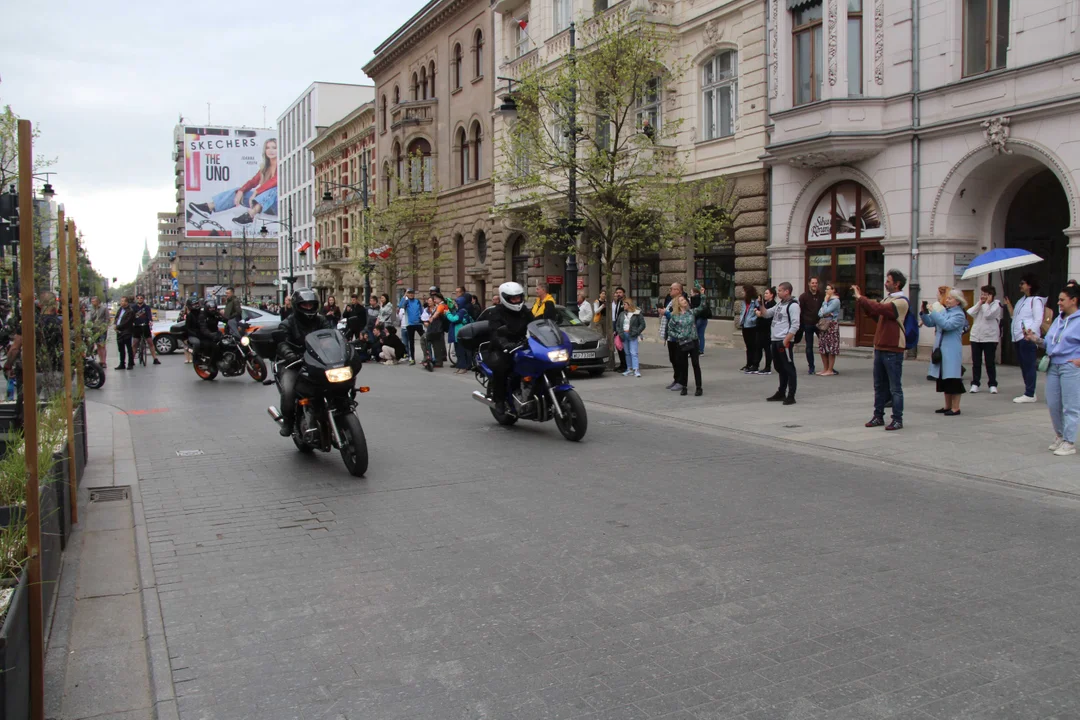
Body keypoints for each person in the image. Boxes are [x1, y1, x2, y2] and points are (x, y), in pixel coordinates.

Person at [1025, 284, 1080, 456]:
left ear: (1074, 300)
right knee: (1054, 404)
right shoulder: (1059, 320)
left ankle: (1069, 442)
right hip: (1053, 365)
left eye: (1062, 300)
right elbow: (1049, 342)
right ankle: (1060, 436)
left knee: (1070, 406)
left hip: (1070, 366)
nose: (1059, 303)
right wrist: (1035, 339)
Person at [854, 269, 911, 431]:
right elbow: (876, 314)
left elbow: (881, 309)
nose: (886, 283)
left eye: (888, 281)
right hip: (880, 347)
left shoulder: (901, 301)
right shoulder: (888, 298)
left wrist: (862, 298)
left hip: (893, 349)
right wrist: (863, 304)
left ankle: (897, 419)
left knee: (895, 387)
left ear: (896, 283)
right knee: (879, 385)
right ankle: (878, 416)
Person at [274, 289, 333, 436]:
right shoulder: (287, 323)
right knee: (288, 390)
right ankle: (288, 421)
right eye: (304, 305)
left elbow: (331, 336)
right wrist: (290, 355)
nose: (308, 308)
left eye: (311, 305)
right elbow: (282, 343)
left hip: (319, 361)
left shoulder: (321, 320)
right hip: (295, 363)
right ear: (297, 305)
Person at [187, 138, 278, 227]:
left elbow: (275, 181)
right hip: (264, 204)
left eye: (274, 148)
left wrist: (256, 192)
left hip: (277, 205)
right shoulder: (265, 168)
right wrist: (241, 191)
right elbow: (253, 182)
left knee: (275, 189)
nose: (270, 150)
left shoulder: (283, 165)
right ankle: (209, 207)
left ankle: (250, 215)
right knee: (238, 191)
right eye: (267, 148)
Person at [484, 282, 532, 414]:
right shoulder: (496, 312)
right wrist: (504, 343)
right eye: (513, 298)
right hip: (502, 348)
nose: (516, 301)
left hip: (523, 345)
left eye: (518, 297)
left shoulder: (525, 311)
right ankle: (499, 400)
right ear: (505, 298)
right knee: (502, 367)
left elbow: (534, 324)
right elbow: (494, 332)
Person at [921, 288, 969, 416]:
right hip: (941, 350)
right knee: (943, 378)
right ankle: (948, 406)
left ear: (958, 302)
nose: (947, 300)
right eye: (947, 298)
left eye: (950, 298)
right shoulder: (945, 311)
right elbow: (932, 322)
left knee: (953, 379)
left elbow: (946, 325)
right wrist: (924, 313)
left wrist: (934, 312)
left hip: (951, 351)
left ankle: (956, 407)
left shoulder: (959, 314)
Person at [1003, 273, 1046, 404]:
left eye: (1023, 283)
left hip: (1027, 337)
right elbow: (1014, 317)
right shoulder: (1021, 300)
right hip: (1017, 336)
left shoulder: (1036, 300)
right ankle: (1028, 390)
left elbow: (1038, 319)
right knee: (1023, 365)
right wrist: (1009, 304)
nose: (1020, 285)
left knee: (1029, 365)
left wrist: (1030, 332)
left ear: (1030, 285)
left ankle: (1030, 393)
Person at [756, 282, 799, 404]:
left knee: (788, 367)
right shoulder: (780, 304)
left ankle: (791, 395)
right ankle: (781, 392)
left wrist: (786, 340)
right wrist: (761, 305)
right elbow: (766, 314)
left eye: (780, 290)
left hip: (783, 341)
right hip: (774, 340)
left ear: (787, 291)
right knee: (779, 367)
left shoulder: (793, 305)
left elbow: (796, 325)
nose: (778, 292)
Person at [663, 295, 706, 396]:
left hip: (693, 341)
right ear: (678, 304)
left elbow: (702, 307)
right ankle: (684, 386)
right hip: (682, 342)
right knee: (684, 365)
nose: (684, 301)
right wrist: (679, 335)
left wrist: (703, 295)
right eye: (682, 300)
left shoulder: (691, 312)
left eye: (685, 299)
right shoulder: (674, 316)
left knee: (695, 364)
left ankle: (699, 387)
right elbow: (670, 330)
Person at [968, 284, 1002, 394]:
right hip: (976, 337)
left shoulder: (996, 306)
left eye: (985, 294)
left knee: (989, 362)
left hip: (989, 338)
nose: (983, 296)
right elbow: (971, 312)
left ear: (991, 295)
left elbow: (988, 315)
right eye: (982, 294)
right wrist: (979, 303)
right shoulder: (981, 304)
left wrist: (986, 303)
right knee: (976, 362)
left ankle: (992, 384)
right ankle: (975, 383)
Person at [658, 282, 687, 389]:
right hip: (671, 335)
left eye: (672, 289)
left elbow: (678, 317)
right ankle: (676, 379)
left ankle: (681, 381)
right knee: (673, 359)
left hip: (678, 336)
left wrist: (665, 313)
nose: (670, 291)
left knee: (679, 359)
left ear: (678, 291)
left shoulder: (681, 301)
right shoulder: (671, 301)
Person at [798, 278, 825, 375]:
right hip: (808, 324)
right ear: (809, 284)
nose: (814, 285)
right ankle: (811, 367)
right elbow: (800, 311)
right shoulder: (803, 297)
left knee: (824, 345)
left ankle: (827, 367)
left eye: (816, 283)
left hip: (820, 324)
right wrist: (801, 325)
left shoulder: (822, 295)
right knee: (809, 347)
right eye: (813, 283)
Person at [816, 283, 841, 376]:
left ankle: (830, 370)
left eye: (828, 289)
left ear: (833, 290)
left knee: (831, 348)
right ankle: (825, 368)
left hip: (831, 325)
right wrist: (825, 306)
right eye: (826, 289)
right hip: (824, 325)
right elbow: (820, 313)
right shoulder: (826, 300)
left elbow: (825, 311)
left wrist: (825, 303)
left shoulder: (835, 301)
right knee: (823, 347)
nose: (826, 291)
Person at [420, 293, 449, 370]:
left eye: (435, 299)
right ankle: (438, 361)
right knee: (436, 345)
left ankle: (430, 359)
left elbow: (437, 313)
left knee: (425, 340)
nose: (434, 300)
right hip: (436, 329)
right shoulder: (441, 306)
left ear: (440, 299)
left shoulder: (441, 306)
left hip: (436, 329)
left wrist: (432, 318)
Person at [131, 294, 161, 365]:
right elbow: (131, 316)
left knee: (150, 342)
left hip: (145, 326)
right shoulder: (133, 307)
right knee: (135, 343)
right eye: (138, 298)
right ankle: (131, 360)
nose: (139, 299)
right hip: (137, 326)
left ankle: (155, 358)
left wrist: (150, 321)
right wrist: (132, 322)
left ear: (143, 299)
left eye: (141, 298)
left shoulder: (147, 307)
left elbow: (149, 315)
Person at [736, 285, 760, 373]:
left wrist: (753, 319)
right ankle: (748, 363)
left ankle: (754, 363)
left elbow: (759, 311)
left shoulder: (755, 301)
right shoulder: (744, 301)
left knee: (753, 345)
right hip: (745, 324)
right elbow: (743, 312)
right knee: (748, 346)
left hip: (752, 325)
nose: (742, 293)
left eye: (744, 291)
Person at [620, 298, 645, 378]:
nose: (623, 306)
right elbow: (618, 324)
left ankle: (636, 369)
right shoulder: (622, 314)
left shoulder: (637, 313)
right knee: (627, 353)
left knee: (633, 352)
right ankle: (629, 369)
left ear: (629, 305)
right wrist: (620, 332)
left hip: (633, 334)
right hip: (624, 334)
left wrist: (637, 332)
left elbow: (642, 324)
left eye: (624, 304)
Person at [448, 294, 473, 374]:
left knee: (460, 352)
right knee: (458, 352)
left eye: (456, 303)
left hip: (459, 334)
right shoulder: (460, 311)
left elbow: (455, 319)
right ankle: (460, 366)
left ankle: (463, 367)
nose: (455, 305)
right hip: (457, 334)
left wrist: (447, 313)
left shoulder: (462, 311)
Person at [398, 289, 424, 365]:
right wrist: (404, 296)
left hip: (418, 324)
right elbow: (400, 306)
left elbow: (421, 311)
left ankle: (428, 357)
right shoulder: (406, 302)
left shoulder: (417, 301)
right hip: (410, 324)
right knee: (411, 342)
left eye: (412, 293)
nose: (411, 294)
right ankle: (412, 358)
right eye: (409, 293)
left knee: (424, 340)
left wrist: (422, 319)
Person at [755, 287, 776, 375]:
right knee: (758, 347)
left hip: (767, 329)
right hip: (760, 328)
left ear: (772, 295)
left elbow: (763, 314)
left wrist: (758, 312)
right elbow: (759, 310)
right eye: (765, 293)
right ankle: (756, 365)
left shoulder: (773, 304)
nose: (765, 295)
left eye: (767, 293)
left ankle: (768, 367)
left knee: (767, 349)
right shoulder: (765, 303)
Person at [87, 296, 109, 366]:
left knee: (102, 345)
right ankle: (100, 361)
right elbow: (91, 319)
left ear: (98, 301)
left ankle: (104, 361)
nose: (93, 303)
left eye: (94, 301)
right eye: (92, 302)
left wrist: (104, 326)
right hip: (94, 329)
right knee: (98, 345)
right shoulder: (92, 309)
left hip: (102, 329)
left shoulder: (104, 308)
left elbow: (107, 318)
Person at [114, 296, 134, 370]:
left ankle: (130, 363)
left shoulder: (130, 311)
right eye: (121, 301)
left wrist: (118, 327)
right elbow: (116, 318)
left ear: (126, 302)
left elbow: (127, 322)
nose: (121, 302)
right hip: (119, 332)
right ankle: (122, 363)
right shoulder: (120, 309)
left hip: (126, 331)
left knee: (129, 348)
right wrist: (115, 324)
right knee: (121, 349)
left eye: (123, 301)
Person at [690, 285, 710, 355]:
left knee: (694, 335)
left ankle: (695, 349)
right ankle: (701, 350)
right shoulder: (702, 299)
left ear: (696, 293)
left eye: (691, 292)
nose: (691, 294)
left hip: (698, 318)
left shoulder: (695, 299)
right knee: (701, 335)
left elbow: (694, 308)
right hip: (705, 319)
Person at [182, 298, 201, 364]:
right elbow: (186, 326)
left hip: (195, 332)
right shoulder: (188, 314)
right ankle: (188, 358)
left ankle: (192, 358)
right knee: (190, 344)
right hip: (190, 333)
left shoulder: (199, 313)